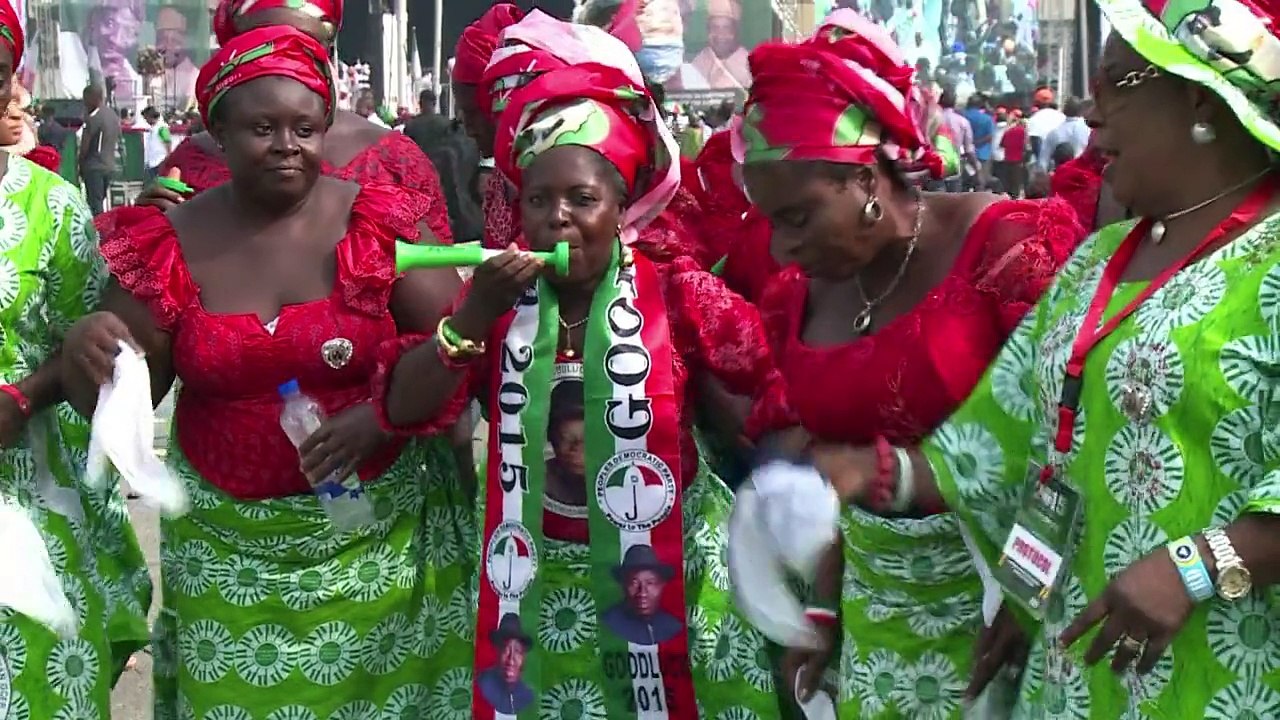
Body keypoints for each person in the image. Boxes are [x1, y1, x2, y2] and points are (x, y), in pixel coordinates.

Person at [772, 2, 1280, 715]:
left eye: (1115, 85)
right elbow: (1007, 442)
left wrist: (1195, 566)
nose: (1091, 115)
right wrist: (873, 473)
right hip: (1075, 671)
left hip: (1227, 673)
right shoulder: (1099, 263)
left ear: (1198, 96)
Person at [60, 26, 473, 718]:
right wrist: (87, 349)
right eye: (262, 128)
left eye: (306, 128)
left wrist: (379, 418)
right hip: (227, 561)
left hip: (380, 552)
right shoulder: (170, 243)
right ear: (216, 132)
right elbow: (125, 402)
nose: (287, 145)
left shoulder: (375, 222)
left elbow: (459, 343)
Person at [375, 62, 798, 719]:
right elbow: (406, 407)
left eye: (581, 200)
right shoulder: (494, 300)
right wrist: (469, 320)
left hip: (671, 581)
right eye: (538, 202)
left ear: (623, 206)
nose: (557, 220)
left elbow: (766, 407)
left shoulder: (679, 296)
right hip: (531, 590)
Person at [737, 12, 1084, 717]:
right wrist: (824, 614)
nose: (780, 248)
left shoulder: (1005, 251)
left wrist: (1028, 592)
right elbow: (835, 481)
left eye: (797, 217)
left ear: (866, 178)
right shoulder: (792, 300)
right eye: (769, 221)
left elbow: (1072, 438)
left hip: (1008, 614)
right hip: (878, 629)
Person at [0, 2, 151, 716]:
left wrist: (37, 389)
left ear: (10, 84)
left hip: (31, 495)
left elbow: (95, 372)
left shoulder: (54, 209)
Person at [138, 0, 452, 250]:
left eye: (302, 47)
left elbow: (443, 300)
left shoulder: (396, 160)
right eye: (262, 45)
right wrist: (149, 224)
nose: (284, 60)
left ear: (329, 52)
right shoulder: (190, 163)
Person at [676, 0, 751, 90]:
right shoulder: (701, 60)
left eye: (726, 28)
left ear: (735, 31)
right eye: (714, 27)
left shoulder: (750, 63)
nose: (720, 34)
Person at [475, 613, 535, 713]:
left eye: (517, 651)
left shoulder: (527, 696)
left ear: (524, 657)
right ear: (497, 651)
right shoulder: (482, 685)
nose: (511, 660)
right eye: (505, 649)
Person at [78, 84, 120, 215]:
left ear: (93, 98)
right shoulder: (112, 115)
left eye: (85, 98)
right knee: (100, 200)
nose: (84, 102)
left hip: (94, 166)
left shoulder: (93, 118)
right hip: (109, 165)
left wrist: (79, 164)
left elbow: (85, 146)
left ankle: (98, 233)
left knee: (95, 205)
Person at [1039, 96, 1090, 170]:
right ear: (1080, 111)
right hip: (1084, 174)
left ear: (1064, 111)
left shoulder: (1054, 132)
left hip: (1061, 173)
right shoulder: (1088, 130)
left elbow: (1043, 161)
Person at [963, 94, 995, 190]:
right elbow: (990, 137)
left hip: (964, 155)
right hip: (982, 154)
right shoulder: (987, 118)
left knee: (965, 183)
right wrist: (977, 143)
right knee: (981, 182)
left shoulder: (962, 116)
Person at [140, 106, 171, 182]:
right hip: (153, 161)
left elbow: (167, 141)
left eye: (146, 118)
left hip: (159, 161)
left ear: (150, 116)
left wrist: (168, 157)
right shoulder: (154, 128)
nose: (146, 121)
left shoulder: (161, 128)